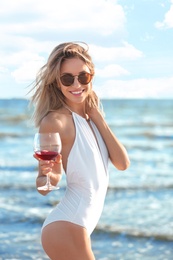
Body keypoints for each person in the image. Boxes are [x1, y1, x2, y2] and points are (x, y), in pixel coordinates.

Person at [30, 42, 130, 260]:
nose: (76, 84)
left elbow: (123, 164)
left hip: (79, 226)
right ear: (57, 83)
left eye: (83, 77)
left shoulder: (91, 119)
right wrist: (46, 173)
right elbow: (47, 186)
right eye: (67, 78)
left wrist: (98, 118)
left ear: (91, 77)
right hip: (67, 226)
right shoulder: (55, 121)